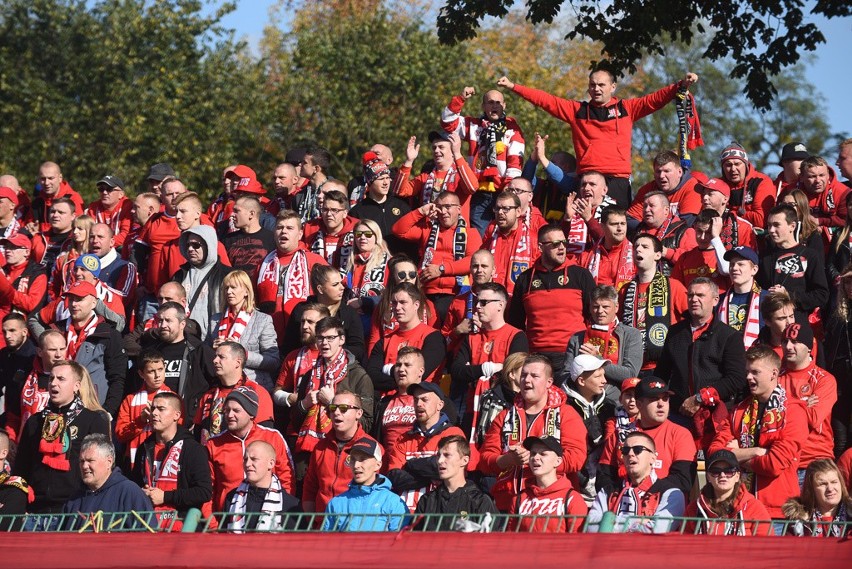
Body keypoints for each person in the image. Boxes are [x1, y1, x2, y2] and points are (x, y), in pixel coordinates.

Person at [498, 70, 698, 207]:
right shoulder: (577, 111)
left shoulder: (626, 109)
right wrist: (514, 86)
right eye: (592, 85)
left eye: (602, 85)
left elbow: (654, 99)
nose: (596, 89)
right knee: (583, 229)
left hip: (617, 180)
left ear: (613, 86)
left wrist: (680, 85)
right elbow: (546, 100)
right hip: (587, 179)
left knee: (616, 227)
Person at [709, 345, 809, 528]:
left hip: (777, 513)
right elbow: (715, 454)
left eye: (755, 372)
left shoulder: (793, 411)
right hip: (738, 509)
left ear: (773, 373)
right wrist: (756, 451)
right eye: (747, 371)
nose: (748, 377)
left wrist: (735, 454)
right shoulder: (738, 410)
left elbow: (774, 464)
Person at [480, 355, 587, 511]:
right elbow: (485, 460)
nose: (526, 380)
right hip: (509, 503)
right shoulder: (504, 416)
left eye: (534, 376)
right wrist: (508, 459)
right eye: (523, 375)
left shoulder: (566, 414)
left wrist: (537, 462)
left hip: (551, 505)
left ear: (549, 382)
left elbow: (576, 458)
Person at [13, 360, 111, 513]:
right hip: (35, 509)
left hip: (75, 507)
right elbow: (21, 467)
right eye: (51, 378)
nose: (53, 383)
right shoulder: (35, 421)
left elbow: (103, 468)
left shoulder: (93, 420)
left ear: (76, 386)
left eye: (61, 379)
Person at [656, 277, 747, 424]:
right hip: (678, 414)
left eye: (700, 295)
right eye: (690, 295)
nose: (694, 299)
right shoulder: (674, 333)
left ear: (715, 300)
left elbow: (736, 379)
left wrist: (700, 398)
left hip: (715, 417)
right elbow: (662, 374)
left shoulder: (729, 336)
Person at [507, 224, 596, 372]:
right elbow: (516, 324)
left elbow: (594, 316)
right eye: (555, 244)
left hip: (572, 353)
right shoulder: (525, 279)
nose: (561, 247)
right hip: (536, 355)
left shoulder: (581, 275)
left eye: (564, 242)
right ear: (541, 247)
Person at [289, 317, 373, 462]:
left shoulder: (358, 376)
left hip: (342, 453)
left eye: (330, 338)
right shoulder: (310, 375)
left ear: (342, 339)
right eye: (320, 338)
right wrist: (304, 404)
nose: (324, 343)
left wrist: (332, 404)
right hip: (308, 455)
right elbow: (295, 422)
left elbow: (366, 424)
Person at [596, 376, 697, 497]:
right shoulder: (620, 433)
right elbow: (604, 478)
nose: (661, 404)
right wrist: (625, 497)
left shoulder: (680, 434)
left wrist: (643, 492)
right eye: (654, 399)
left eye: (665, 399)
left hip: (664, 507)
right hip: (624, 505)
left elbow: (683, 481)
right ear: (639, 404)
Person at [392, 190, 483, 323]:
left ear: (459, 209)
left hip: (455, 294)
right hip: (424, 292)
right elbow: (398, 230)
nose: (443, 211)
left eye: (448, 207)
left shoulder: (471, 233)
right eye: (439, 207)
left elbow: (472, 262)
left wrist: (441, 269)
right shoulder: (428, 229)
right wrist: (421, 211)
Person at [129, 391, 212, 528]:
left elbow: (204, 492)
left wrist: (165, 497)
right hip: (148, 526)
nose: (154, 413)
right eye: (153, 408)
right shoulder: (144, 448)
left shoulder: (193, 449)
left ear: (177, 415)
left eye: (161, 409)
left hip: (182, 530)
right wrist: (141, 492)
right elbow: (135, 485)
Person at [449, 282, 527, 424]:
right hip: (473, 410)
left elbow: (513, 374)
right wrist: (489, 369)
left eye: (484, 302)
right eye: (478, 301)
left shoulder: (516, 336)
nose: (478, 306)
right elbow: (457, 371)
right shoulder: (471, 337)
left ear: (500, 305)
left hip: (504, 410)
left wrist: (473, 373)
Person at [206, 386, 295, 511]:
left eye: (236, 410)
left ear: (251, 413)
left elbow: (287, 479)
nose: (229, 415)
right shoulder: (213, 444)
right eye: (226, 410)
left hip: (270, 515)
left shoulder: (272, 437)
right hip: (227, 519)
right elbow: (207, 489)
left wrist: (284, 512)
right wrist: (213, 526)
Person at [386, 382, 465, 512]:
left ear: (440, 405)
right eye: (416, 399)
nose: (418, 404)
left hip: (438, 514)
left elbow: (453, 470)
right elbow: (394, 478)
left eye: (425, 399)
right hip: (405, 515)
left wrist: (410, 465)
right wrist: (432, 475)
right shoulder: (403, 438)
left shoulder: (453, 434)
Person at [587, 431, 686, 533]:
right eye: (625, 450)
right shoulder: (607, 491)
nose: (630, 454)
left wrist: (610, 523)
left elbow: (658, 530)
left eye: (638, 450)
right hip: (611, 549)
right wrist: (636, 521)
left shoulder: (671, 493)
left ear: (653, 458)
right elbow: (591, 527)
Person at [57, 280, 127, 417]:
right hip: (59, 410)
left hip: (93, 411)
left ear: (94, 303)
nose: (74, 304)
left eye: (80, 299)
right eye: (71, 299)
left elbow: (118, 378)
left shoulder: (109, 334)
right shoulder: (56, 331)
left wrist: (108, 411)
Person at [618, 234, 688, 371]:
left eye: (645, 247)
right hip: (632, 365)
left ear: (657, 255)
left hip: (665, 365)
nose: (638, 250)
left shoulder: (673, 286)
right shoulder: (625, 290)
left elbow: (691, 321)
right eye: (636, 247)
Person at [779, 321, 837, 482]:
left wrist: (785, 405)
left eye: (796, 342)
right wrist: (803, 404)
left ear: (809, 347)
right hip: (784, 461)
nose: (789, 346)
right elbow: (770, 419)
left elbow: (813, 419)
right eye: (785, 341)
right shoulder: (775, 378)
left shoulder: (824, 380)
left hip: (816, 462)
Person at [256, 210, 328, 339]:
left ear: (300, 234)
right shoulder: (263, 263)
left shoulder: (314, 261)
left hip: (303, 334)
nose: (284, 231)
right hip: (268, 336)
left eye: (289, 228)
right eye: (279, 227)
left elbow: (331, 293)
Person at [302, 392, 377, 514]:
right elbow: (310, 488)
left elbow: (378, 492)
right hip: (323, 525)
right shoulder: (320, 447)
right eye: (333, 408)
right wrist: (312, 521)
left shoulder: (372, 448)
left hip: (355, 524)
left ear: (359, 413)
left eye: (343, 409)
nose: (337, 412)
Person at [563, 284, 642, 393]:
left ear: (616, 307)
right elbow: (566, 374)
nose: (600, 311)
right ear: (590, 308)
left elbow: (630, 374)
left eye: (605, 307)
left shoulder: (631, 335)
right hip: (581, 396)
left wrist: (597, 359)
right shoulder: (577, 338)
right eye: (595, 307)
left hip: (616, 399)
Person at [209, 270, 279, 391]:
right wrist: (211, 348)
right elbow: (204, 356)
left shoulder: (263, 320)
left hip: (253, 386)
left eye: (233, 287)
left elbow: (273, 362)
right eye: (226, 288)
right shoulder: (215, 320)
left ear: (246, 291)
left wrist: (243, 353)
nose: (229, 292)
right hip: (221, 386)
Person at [366, 283, 445, 390]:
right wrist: (403, 379)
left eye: (403, 302)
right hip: (388, 402)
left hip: (421, 399)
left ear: (416, 305)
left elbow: (420, 375)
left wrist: (388, 370)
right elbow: (372, 377)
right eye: (394, 303)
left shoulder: (433, 338)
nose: (397, 308)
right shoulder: (384, 341)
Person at [62, 433, 153, 526]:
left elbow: (149, 534)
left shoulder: (129, 493)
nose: (84, 466)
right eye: (82, 461)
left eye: (90, 461)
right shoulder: (74, 499)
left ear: (109, 462)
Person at [758, 204, 829, 320]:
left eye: (776, 225)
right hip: (770, 324)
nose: (771, 230)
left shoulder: (810, 255)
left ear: (792, 226)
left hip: (799, 323)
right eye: (769, 225)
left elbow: (822, 295)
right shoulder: (765, 257)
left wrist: (789, 296)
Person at [195, 342, 275, 446]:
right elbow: (197, 434)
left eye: (221, 357)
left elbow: (265, 435)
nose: (215, 361)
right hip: (209, 458)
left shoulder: (257, 392)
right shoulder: (208, 396)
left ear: (237, 362)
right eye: (215, 356)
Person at [413, 434, 498, 531]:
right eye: (438, 456)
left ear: (464, 460)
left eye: (447, 455)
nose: (440, 461)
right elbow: (416, 540)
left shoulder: (480, 501)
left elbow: (494, 541)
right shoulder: (427, 500)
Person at [322, 437, 408, 532]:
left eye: (363, 459)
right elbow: (327, 543)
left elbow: (401, 542)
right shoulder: (336, 503)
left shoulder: (393, 502)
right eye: (353, 459)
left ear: (378, 465)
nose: (356, 465)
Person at [149, 301, 216, 422]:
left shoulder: (199, 350)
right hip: (156, 420)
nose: (163, 325)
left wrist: (198, 415)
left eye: (168, 321)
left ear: (182, 324)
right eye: (160, 320)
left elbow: (217, 382)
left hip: (188, 422)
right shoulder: (152, 352)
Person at [281, 264, 365, 361]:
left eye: (341, 283)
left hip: (340, 367)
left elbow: (358, 349)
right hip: (304, 366)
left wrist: (333, 353)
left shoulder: (348, 313)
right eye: (335, 284)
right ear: (320, 289)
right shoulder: (302, 310)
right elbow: (289, 346)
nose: (342, 287)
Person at [563, 354, 616, 502]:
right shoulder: (563, 407)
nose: (604, 381)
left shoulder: (610, 407)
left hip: (604, 488)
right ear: (581, 380)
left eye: (603, 375)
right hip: (574, 487)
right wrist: (582, 479)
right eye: (598, 376)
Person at [508, 435, 588, 532]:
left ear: (558, 461)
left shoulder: (572, 499)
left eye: (543, 454)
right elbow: (510, 538)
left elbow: (579, 541)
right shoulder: (519, 499)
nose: (535, 457)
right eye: (533, 453)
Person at [684, 449, 772, 536]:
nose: (722, 475)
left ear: (737, 476)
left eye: (729, 471)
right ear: (708, 477)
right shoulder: (694, 509)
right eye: (716, 471)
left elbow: (766, 545)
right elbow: (684, 545)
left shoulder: (753, 507)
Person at [392, 131, 477, 216]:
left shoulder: (461, 173)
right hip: (428, 227)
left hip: (456, 228)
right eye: (434, 148)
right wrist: (409, 161)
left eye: (441, 147)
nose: (436, 150)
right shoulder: (426, 176)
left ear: (452, 151)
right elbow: (399, 191)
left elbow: (472, 187)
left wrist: (457, 154)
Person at [222, 440, 301, 532]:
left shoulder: (289, 504)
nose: (247, 464)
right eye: (245, 459)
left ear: (271, 464)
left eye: (254, 459)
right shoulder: (232, 498)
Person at [366, 255, 438, 354]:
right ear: (393, 278)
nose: (407, 278)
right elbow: (375, 339)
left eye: (412, 275)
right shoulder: (383, 305)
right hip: (388, 356)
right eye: (402, 275)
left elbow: (434, 337)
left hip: (417, 358)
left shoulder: (428, 305)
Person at [114, 350, 172, 470]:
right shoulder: (130, 400)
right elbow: (120, 434)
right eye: (151, 371)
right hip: (134, 463)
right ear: (141, 374)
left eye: (160, 369)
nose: (157, 375)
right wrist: (140, 420)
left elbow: (177, 433)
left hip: (163, 461)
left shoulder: (173, 398)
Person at [171, 224, 229, 342]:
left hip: (215, 340)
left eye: (196, 245)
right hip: (184, 340)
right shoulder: (180, 275)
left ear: (209, 246)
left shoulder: (227, 275)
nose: (190, 249)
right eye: (188, 245)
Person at [349, 153, 412, 256]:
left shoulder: (401, 206)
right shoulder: (357, 211)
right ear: (370, 182)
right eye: (381, 179)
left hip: (401, 262)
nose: (386, 183)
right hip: (373, 263)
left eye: (387, 178)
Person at [9, 330, 66, 440]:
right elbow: (13, 415)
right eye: (52, 350)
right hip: (27, 445)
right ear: (40, 352)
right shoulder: (25, 376)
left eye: (62, 349)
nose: (59, 354)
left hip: (61, 446)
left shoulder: (77, 375)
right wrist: (11, 438)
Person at [482, 190, 541, 296]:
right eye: (497, 208)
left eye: (506, 209)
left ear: (518, 211)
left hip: (521, 300)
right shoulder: (490, 240)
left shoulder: (533, 240)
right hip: (493, 299)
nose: (500, 212)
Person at [627, 151, 704, 226]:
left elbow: (686, 224)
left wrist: (654, 229)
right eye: (658, 171)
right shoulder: (647, 190)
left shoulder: (693, 187)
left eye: (667, 171)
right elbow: (630, 220)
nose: (661, 176)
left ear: (679, 172)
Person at [342, 219, 391, 333]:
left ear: (376, 237)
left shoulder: (389, 262)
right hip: (353, 321)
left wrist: (362, 302)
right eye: (358, 234)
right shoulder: (349, 263)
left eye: (368, 234)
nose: (362, 238)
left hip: (379, 320)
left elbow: (393, 294)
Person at [632, 191, 697, 275]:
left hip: (670, 285)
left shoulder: (683, 231)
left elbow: (693, 260)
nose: (647, 210)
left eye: (652, 206)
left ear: (666, 210)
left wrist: (666, 252)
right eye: (645, 206)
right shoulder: (637, 232)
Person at [783, 458, 851, 537]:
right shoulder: (798, 519)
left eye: (834, 482)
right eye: (822, 484)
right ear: (811, 489)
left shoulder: (850, 515)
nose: (830, 489)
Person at [0, 233, 47, 349]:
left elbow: (31, 304)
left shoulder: (37, 273)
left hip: (23, 335)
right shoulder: (4, 271)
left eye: (13, 247)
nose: (8, 251)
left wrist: (7, 289)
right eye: (6, 247)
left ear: (26, 252)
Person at [716, 246, 767, 349]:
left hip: (756, 357)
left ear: (754, 269)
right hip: (726, 358)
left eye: (741, 264)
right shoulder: (719, 301)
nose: (734, 268)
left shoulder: (766, 298)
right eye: (732, 264)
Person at [824, 265, 852, 456]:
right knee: (840, 442)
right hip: (840, 382)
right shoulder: (837, 316)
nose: (850, 286)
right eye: (848, 281)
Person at [717, 142, 776, 228]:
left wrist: (728, 213)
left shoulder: (761, 181)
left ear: (746, 165)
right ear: (723, 168)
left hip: (754, 239)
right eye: (728, 165)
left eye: (737, 164)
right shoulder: (717, 185)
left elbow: (761, 220)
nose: (733, 169)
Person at [671, 209, 730, 293]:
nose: (702, 237)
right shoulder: (685, 257)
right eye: (699, 231)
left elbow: (726, 269)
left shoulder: (726, 255)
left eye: (708, 232)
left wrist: (716, 237)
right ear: (694, 227)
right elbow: (675, 287)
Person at [222, 195, 276, 281]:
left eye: (237, 211)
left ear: (251, 214)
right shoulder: (227, 240)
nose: (232, 215)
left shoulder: (272, 239)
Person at [562, 171, 616, 257]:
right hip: (572, 264)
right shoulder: (573, 209)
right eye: (583, 184)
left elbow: (609, 243)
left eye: (592, 184)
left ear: (604, 190)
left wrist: (588, 219)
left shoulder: (615, 213)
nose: (586, 188)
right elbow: (559, 242)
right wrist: (567, 219)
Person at [0, 313, 37, 439]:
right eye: (4, 331)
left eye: (12, 331)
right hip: (10, 415)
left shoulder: (34, 357)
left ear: (24, 332)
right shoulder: (4, 354)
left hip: (28, 417)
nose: (7, 336)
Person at [302, 189, 358, 269]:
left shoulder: (357, 230)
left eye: (334, 210)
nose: (329, 214)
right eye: (325, 210)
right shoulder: (310, 228)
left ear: (345, 213)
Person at [581, 207, 636, 288]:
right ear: (602, 227)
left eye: (623, 224)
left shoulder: (636, 255)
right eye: (614, 224)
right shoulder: (586, 257)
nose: (620, 228)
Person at [698, 176, 757, 249]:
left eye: (710, 194)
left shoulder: (743, 227)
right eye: (703, 194)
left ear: (725, 199)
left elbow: (749, 258)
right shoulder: (696, 223)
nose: (705, 198)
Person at [798, 155, 850, 231]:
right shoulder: (792, 192)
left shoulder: (842, 192)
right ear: (801, 177)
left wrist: (819, 221)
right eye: (812, 176)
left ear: (828, 175)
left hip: (836, 240)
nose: (818, 180)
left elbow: (846, 220)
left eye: (821, 175)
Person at [31, 162, 84, 233]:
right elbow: (28, 224)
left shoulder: (73, 198)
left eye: (51, 178)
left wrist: (41, 229)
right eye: (43, 179)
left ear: (60, 178)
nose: (46, 183)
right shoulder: (37, 202)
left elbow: (79, 227)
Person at [50, 214, 94, 299]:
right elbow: (53, 285)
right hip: (63, 305)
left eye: (80, 229)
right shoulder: (62, 257)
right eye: (74, 228)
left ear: (89, 231)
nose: (75, 232)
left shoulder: (95, 258)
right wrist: (55, 304)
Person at [88, 223, 136, 299]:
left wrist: (97, 284)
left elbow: (123, 298)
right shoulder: (80, 265)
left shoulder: (125, 267)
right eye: (91, 237)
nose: (95, 240)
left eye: (100, 237)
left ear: (112, 242)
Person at [87, 174, 133, 248]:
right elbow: (87, 232)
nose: (104, 192)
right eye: (101, 189)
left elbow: (126, 234)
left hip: (120, 249)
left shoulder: (127, 206)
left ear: (121, 194)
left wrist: (105, 244)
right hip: (96, 248)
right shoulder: (93, 208)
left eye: (109, 189)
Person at [31, 197, 76, 271]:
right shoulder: (38, 238)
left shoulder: (76, 241)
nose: (55, 215)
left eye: (61, 212)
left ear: (73, 216)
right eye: (52, 211)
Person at [296, 146, 332, 222]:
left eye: (304, 162)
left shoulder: (335, 190)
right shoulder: (299, 195)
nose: (300, 164)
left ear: (316, 168)